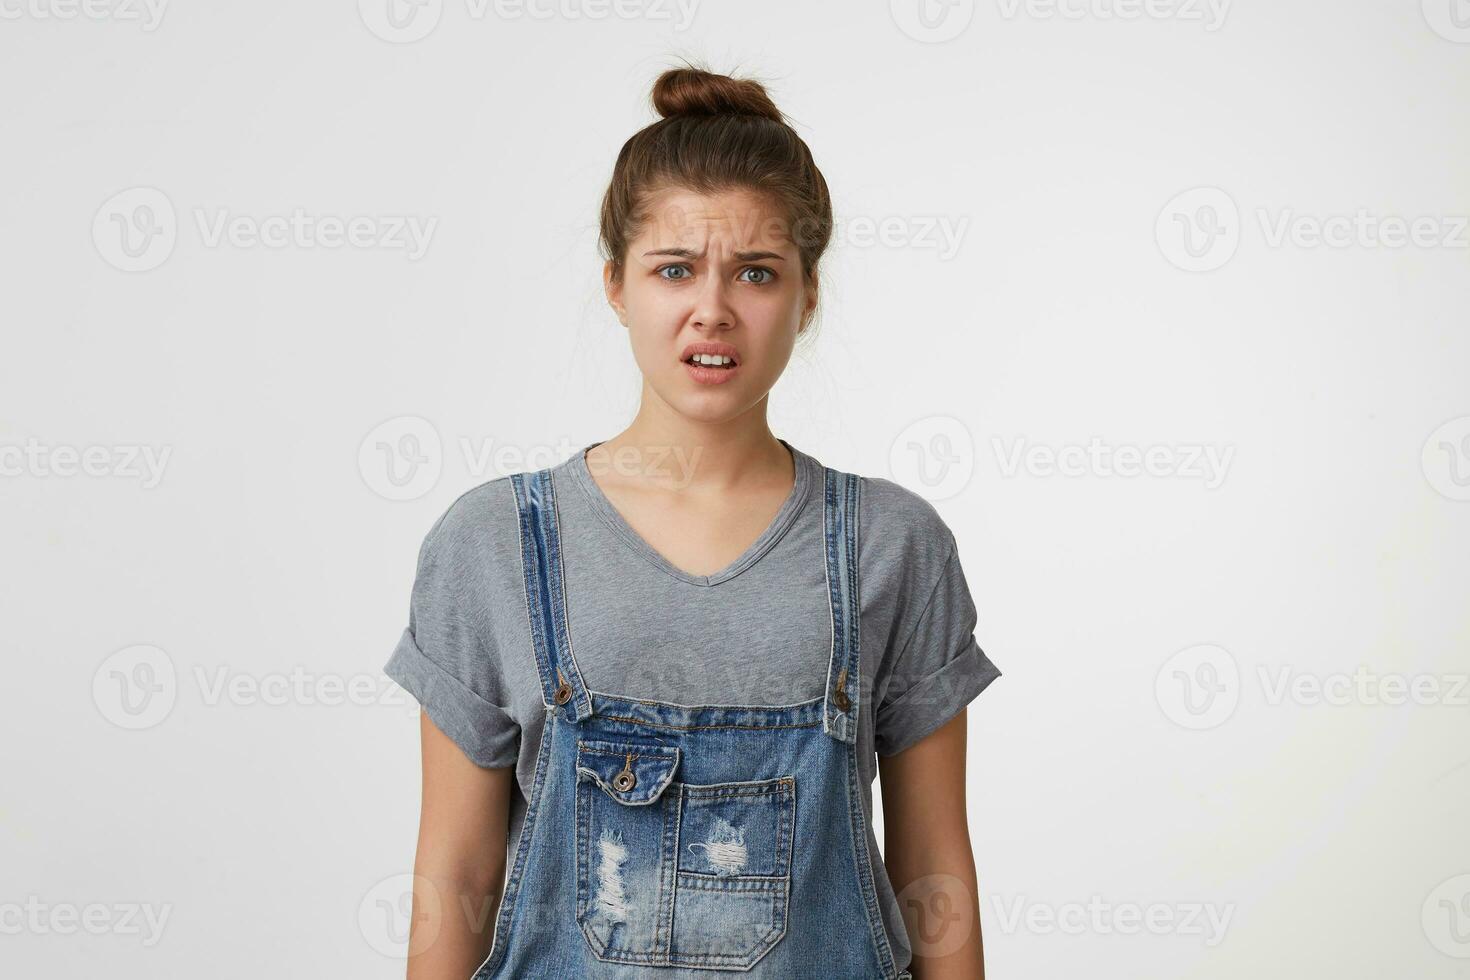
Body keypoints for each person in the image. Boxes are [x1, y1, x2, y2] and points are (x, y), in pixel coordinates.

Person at [384, 63, 1002, 980]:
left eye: (757, 272)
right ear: (616, 286)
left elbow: (934, 866)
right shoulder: (493, 547)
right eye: (674, 269)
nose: (711, 310)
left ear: (809, 293)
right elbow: (455, 872)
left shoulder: (891, 545)